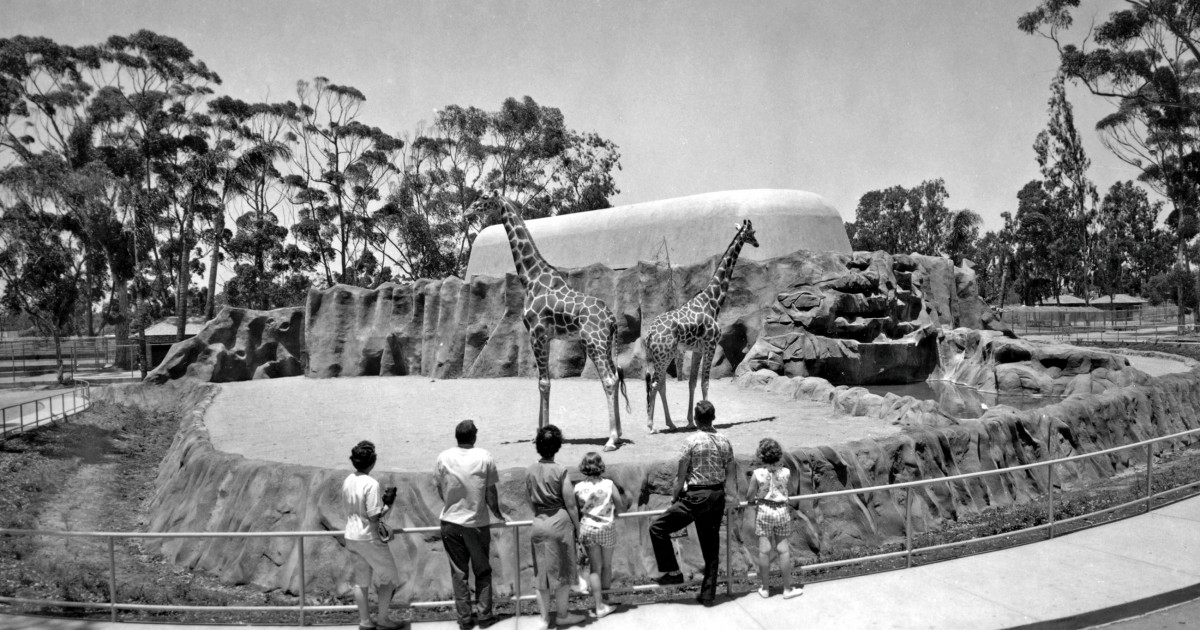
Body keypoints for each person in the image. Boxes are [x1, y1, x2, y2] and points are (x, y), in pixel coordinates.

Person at [648, 400, 736, 606]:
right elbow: (731, 474)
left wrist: (674, 497)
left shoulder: (691, 442)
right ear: (713, 418)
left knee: (658, 528)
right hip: (717, 496)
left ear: (696, 419)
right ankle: (708, 595)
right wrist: (732, 497)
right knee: (711, 547)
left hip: (696, 497)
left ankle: (673, 572)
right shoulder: (725, 441)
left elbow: (680, 477)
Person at [435, 420, 505, 630]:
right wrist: (498, 514)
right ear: (474, 436)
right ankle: (485, 616)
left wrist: (450, 504)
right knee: (482, 570)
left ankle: (465, 619)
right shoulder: (484, 457)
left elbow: (440, 487)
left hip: (450, 521)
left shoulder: (443, 457)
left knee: (459, 573)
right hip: (475, 523)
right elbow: (490, 492)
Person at [342, 441, 407, 630]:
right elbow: (373, 517)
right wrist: (387, 505)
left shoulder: (348, 480)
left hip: (351, 535)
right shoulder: (371, 483)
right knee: (391, 578)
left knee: (361, 581)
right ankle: (383, 619)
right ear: (372, 461)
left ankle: (365, 621)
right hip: (368, 537)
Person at [526, 425, 586, 629]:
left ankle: (543, 619)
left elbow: (530, 501)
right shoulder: (561, 471)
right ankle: (562, 614)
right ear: (557, 446)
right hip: (559, 524)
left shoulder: (530, 470)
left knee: (541, 575)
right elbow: (570, 503)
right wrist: (578, 528)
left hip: (539, 523)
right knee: (563, 572)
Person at [746, 437, 802, 599]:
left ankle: (765, 589)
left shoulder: (758, 474)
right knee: (783, 550)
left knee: (764, 551)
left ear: (761, 456)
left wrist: (752, 500)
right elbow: (790, 491)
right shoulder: (785, 472)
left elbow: (750, 495)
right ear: (778, 455)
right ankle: (787, 589)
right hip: (782, 511)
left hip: (764, 510)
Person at [573, 451, 624, 619]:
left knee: (595, 568)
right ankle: (606, 599)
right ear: (600, 466)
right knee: (607, 566)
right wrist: (614, 511)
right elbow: (620, 505)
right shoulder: (609, 484)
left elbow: (575, 509)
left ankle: (598, 605)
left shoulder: (578, 487)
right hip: (605, 528)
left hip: (587, 528)